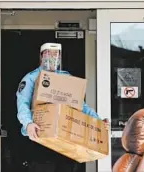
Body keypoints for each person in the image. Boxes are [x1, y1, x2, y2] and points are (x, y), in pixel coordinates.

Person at [16, 43, 110, 172]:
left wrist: (98, 121)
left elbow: (81, 106)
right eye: (49, 53)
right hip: (39, 137)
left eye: (56, 54)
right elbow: (23, 104)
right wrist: (28, 123)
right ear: (42, 56)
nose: (53, 57)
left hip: (64, 140)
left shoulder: (66, 78)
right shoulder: (31, 78)